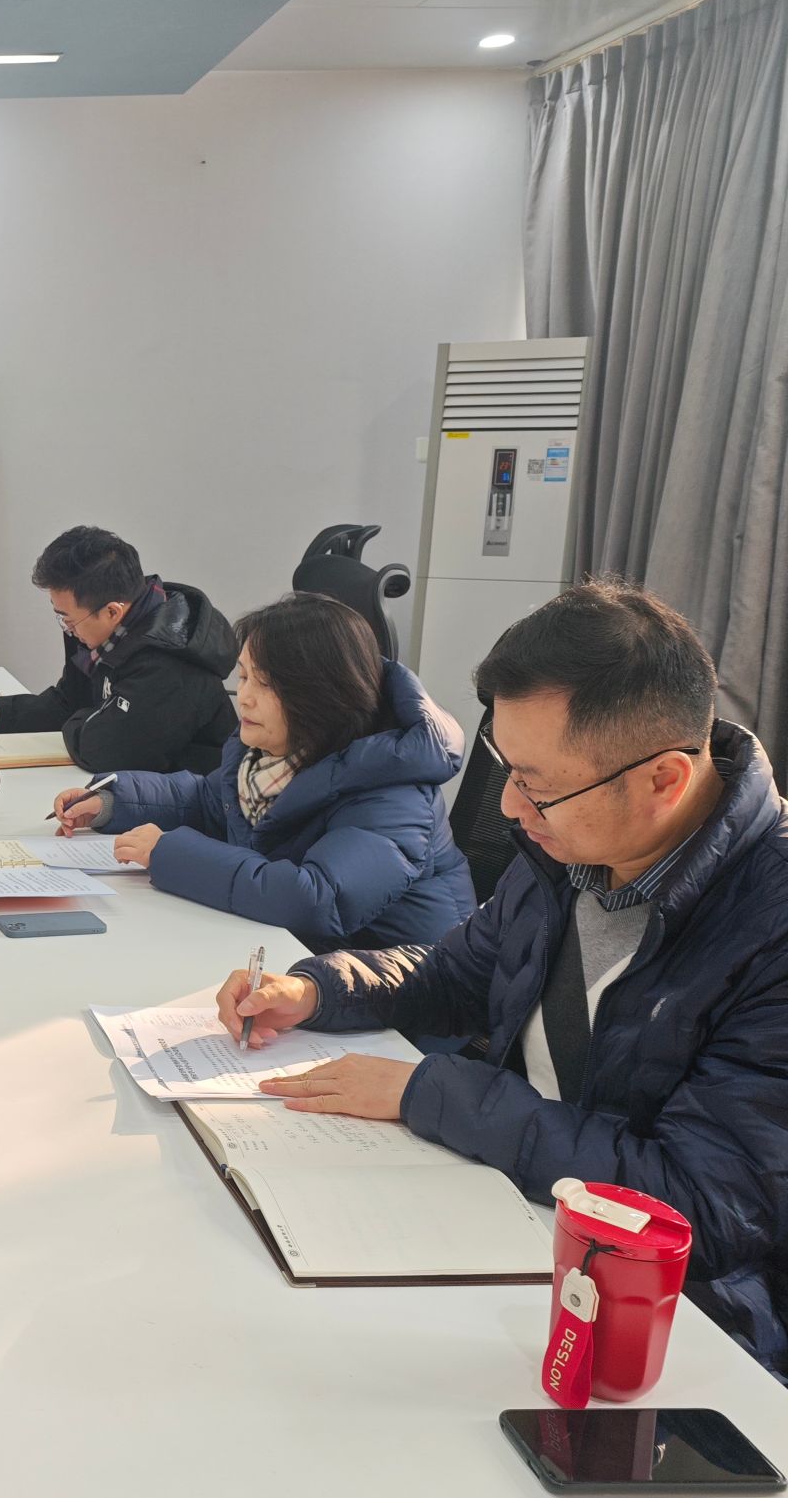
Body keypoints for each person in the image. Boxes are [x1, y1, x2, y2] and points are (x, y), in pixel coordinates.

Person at [214, 580, 788, 1375]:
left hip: (666, 1325)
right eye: (506, 771)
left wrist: (432, 1094)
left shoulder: (769, 924)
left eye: (539, 785)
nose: (512, 807)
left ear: (664, 780)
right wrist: (319, 988)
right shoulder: (569, 852)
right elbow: (458, 973)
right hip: (507, 1216)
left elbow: (698, 1203)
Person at [52, 593, 475, 952]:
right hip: (298, 961)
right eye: (243, 676)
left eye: (266, 683)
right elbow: (208, 801)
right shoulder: (270, 756)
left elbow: (315, 900)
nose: (245, 697)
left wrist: (168, 854)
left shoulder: (394, 793)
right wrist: (112, 801)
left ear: (323, 695)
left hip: (395, 995)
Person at [0, 526, 237, 773]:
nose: (67, 629)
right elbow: (70, 700)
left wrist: (89, 719)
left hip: (189, 800)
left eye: (69, 619)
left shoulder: (169, 664)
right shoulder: (103, 636)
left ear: (112, 612)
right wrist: (3, 714)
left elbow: (107, 751)